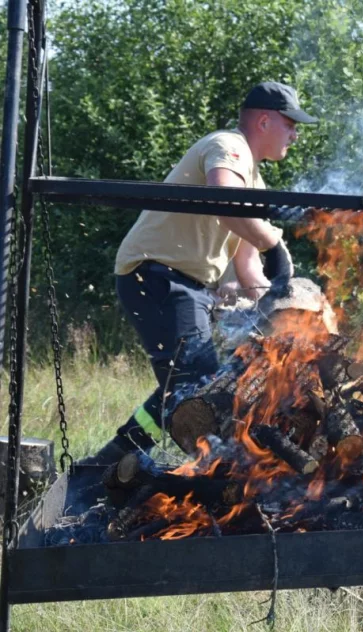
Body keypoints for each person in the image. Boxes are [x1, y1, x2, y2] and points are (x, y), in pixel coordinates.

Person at [81, 81, 318, 465]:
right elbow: (223, 201)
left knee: (191, 383)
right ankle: (214, 478)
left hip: (181, 284)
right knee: (204, 390)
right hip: (157, 274)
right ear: (263, 121)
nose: (295, 134)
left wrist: (278, 319)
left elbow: (247, 267)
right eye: (291, 124)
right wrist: (273, 247)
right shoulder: (229, 147)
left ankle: (111, 459)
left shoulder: (254, 180)